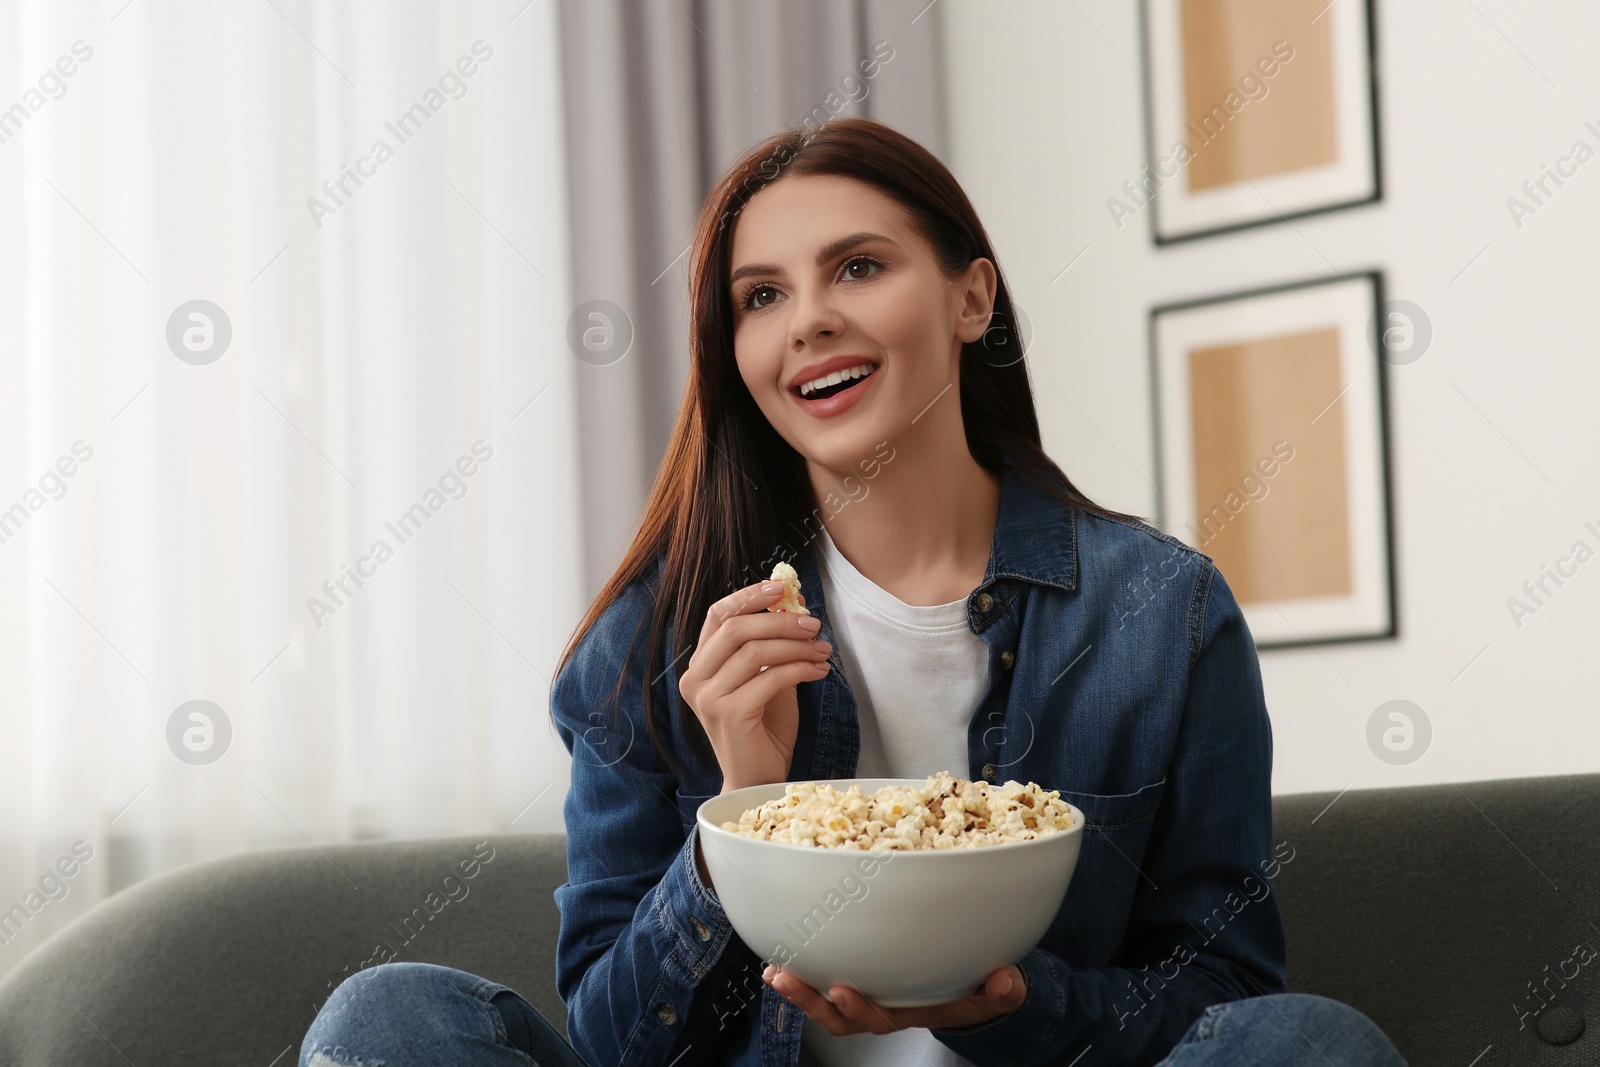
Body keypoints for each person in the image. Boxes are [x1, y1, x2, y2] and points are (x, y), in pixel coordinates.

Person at [299, 117, 1408, 1067]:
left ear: (971, 298)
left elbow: (1221, 990)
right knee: (385, 1016)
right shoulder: (655, 640)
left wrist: (1022, 1004)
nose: (808, 319)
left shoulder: (1163, 613)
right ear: (734, 351)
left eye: (858, 267)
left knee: (1313, 1041)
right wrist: (742, 807)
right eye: (761, 295)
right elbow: (617, 1041)